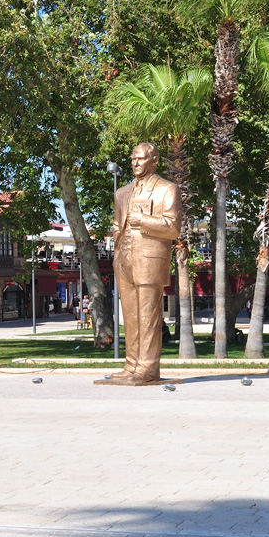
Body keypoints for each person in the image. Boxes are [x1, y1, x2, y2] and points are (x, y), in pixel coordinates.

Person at [111, 142, 181, 383]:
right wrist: (117, 251)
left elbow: (173, 228)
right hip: (124, 260)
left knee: (148, 317)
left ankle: (148, 368)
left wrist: (143, 220)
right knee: (130, 318)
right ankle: (131, 366)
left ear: (154, 161)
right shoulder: (122, 193)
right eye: (133, 158)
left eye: (141, 159)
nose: (135, 163)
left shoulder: (167, 189)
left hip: (150, 259)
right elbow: (117, 226)